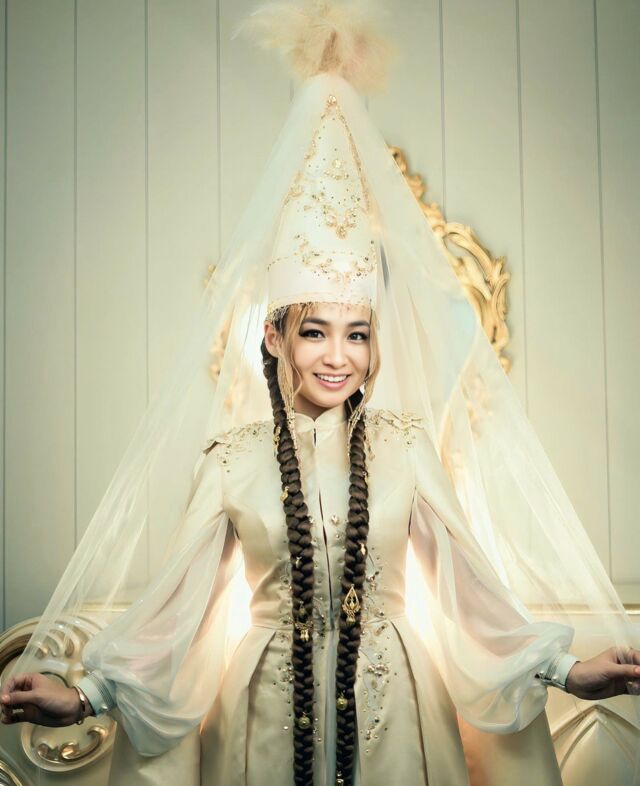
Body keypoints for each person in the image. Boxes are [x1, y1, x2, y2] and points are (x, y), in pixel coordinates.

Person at [2, 3, 639, 785]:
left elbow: (473, 595)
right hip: (262, 723)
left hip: (398, 717)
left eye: (357, 333)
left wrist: (568, 670)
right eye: (314, 331)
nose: (339, 357)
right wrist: (84, 695)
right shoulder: (232, 462)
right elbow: (176, 609)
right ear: (273, 336)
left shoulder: (404, 448)